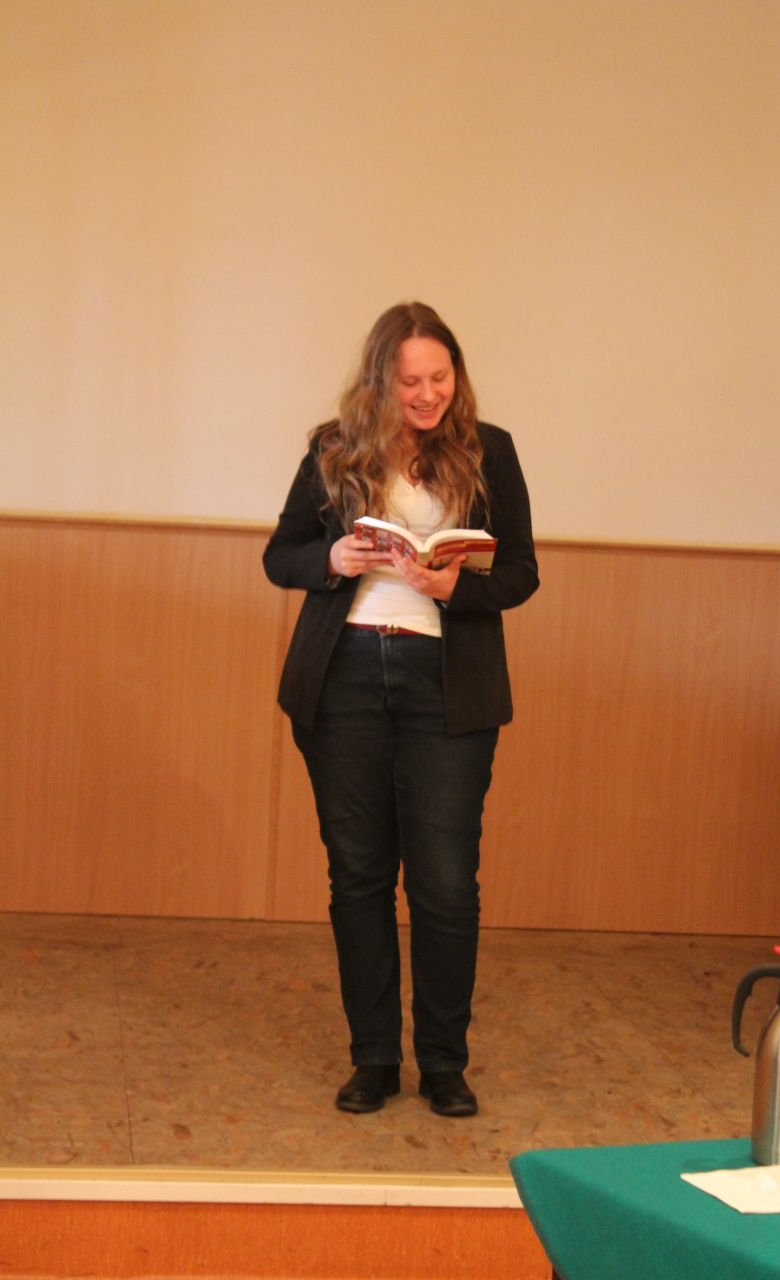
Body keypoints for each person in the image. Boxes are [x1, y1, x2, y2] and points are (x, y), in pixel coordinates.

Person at [263, 302, 538, 1117]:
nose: (426, 396)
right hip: (344, 675)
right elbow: (281, 555)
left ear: (457, 375)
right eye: (410, 381)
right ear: (379, 380)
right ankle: (374, 1060)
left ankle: (444, 1065)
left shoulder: (490, 450)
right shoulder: (333, 446)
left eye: (439, 379)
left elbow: (520, 573)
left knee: (445, 883)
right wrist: (333, 556)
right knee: (358, 875)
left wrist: (456, 586)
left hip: (445, 684)